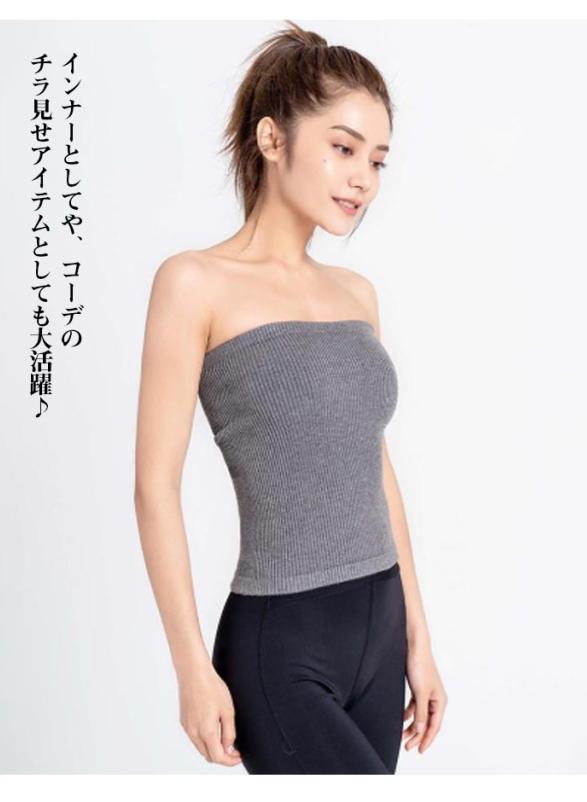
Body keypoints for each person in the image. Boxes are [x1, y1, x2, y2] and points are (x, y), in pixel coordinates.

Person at [134, 19, 447, 774]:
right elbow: (154, 488)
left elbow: (373, 468)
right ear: (272, 139)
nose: (363, 179)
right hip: (283, 644)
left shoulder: (356, 293)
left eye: (377, 160)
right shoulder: (193, 283)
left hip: (380, 635)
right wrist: (190, 668)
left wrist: (419, 637)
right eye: (343, 148)